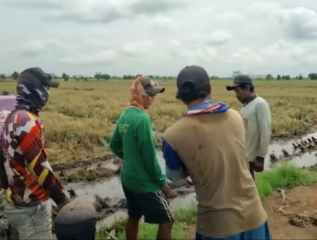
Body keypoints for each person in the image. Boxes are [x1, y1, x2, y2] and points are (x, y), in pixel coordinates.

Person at [163, 66, 271, 240]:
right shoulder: (236, 117)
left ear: (180, 96)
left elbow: (177, 177)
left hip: (217, 226)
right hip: (254, 216)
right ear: (209, 89)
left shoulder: (172, 136)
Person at [0, 67, 69, 240]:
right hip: (30, 205)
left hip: (16, 199)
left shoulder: (13, 116)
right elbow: (40, 168)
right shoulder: (27, 122)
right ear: (35, 89)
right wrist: (62, 200)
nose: (48, 93)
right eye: (46, 88)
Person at [109, 76, 177, 240]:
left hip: (127, 178)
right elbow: (149, 157)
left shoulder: (125, 114)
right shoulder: (142, 119)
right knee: (167, 220)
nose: (153, 98)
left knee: (134, 216)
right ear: (141, 94)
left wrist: (131, 159)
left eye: (154, 94)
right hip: (142, 183)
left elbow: (114, 144)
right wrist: (162, 184)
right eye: (150, 94)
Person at [226, 75, 271, 179]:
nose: (236, 95)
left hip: (252, 158)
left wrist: (261, 157)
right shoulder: (246, 106)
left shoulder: (260, 104)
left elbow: (265, 132)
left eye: (237, 91)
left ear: (247, 88)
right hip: (244, 157)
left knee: (249, 190)